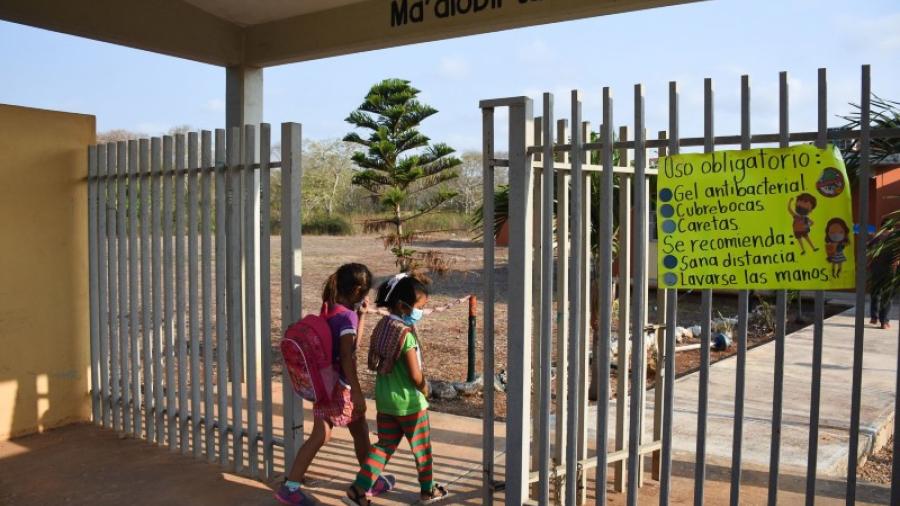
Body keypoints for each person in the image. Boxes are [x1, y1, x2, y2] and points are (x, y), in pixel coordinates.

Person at [275, 263, 395, 505]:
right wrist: (358, 394)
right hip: (341, 388)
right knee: (357, 432)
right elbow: (348, 357)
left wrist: (360, 316)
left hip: (323, 385)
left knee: (324, 435)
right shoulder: (346, 317)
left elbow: (348, 346)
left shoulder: (329, 309)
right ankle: (369, 481)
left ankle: (291, 486)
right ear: (359, 289)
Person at [343, 273, 449, 505]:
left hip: (386, 403)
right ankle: (427, 491)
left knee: (382, 448)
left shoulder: (383, 327)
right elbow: (414, 374)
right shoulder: (406, 336)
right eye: (420, 307)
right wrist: (425, 387)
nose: (421, 312)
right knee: (422, 451)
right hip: (411, 405)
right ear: (403, 306)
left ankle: (357, 491)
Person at [870, 220, 897, 330]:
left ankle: (874, 317)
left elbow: (869, 249)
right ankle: (884, 322)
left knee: (876, 292)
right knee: (887, 295)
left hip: (876, 269)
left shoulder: (876, 237)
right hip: (890, 270)